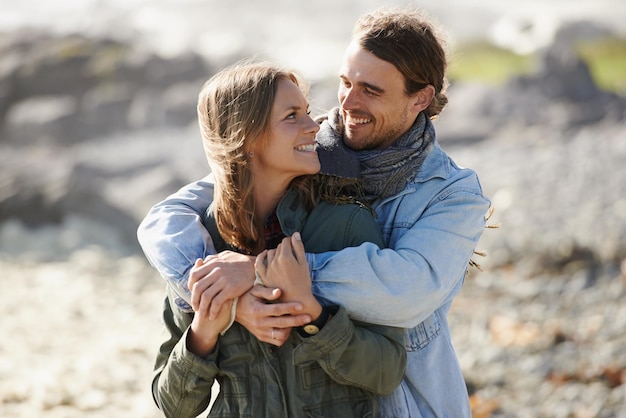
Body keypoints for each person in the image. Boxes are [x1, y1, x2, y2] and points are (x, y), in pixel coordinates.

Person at [138, 7, 491, 418]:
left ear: (420, 98)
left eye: (371, 90)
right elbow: (174, 213)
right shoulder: (308, 147)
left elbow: (409, 289)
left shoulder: (452, 194)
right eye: (345, 82)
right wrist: (223, 303)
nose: (347, 103)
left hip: (413, 402)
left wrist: (262, 275)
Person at [149, 61, 407, 418]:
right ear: (246, 137)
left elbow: (388, 370)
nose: (313, 126)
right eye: (292, 116)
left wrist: (314, 313)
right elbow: (174, 406)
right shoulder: (199, 243)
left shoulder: (345, 225)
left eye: (307, 112)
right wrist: (204, 329)